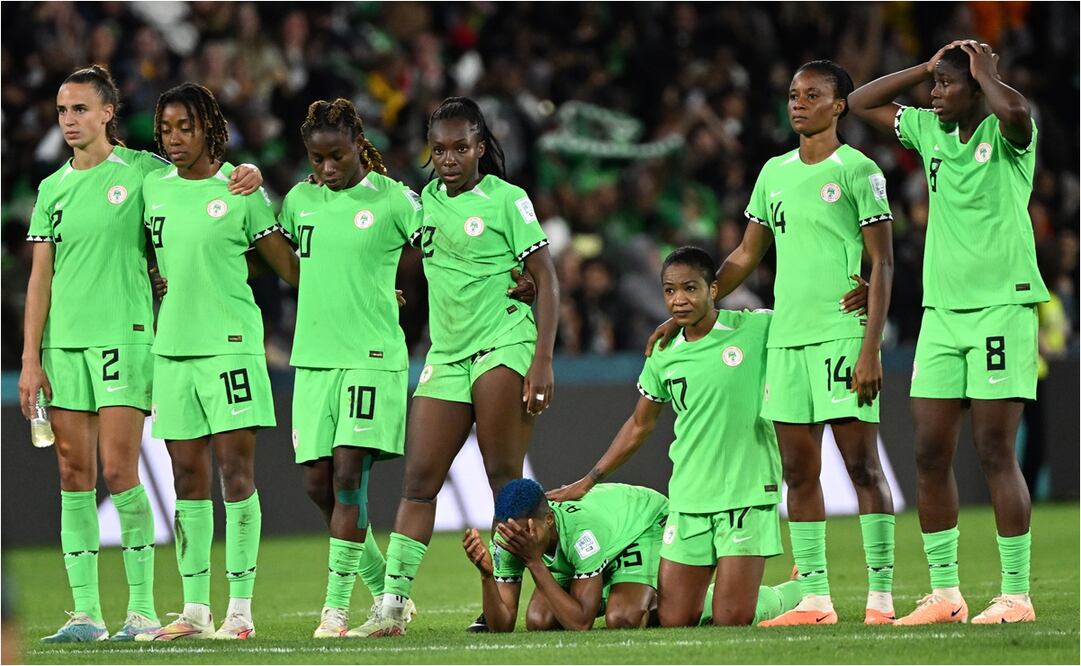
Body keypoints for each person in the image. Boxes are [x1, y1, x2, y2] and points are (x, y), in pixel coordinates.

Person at [649, 60, 897, 626]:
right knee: (800, 473)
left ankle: (881, 598)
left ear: (839, 105)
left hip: (841, 335)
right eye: (793, 95)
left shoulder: (859, 171)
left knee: (862, 468)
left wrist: (870, 347)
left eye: (812, 95)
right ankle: (815, 598)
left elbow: (883, 261)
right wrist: (694, 310)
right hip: (786, 340)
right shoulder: (773, 173)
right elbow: (745, 253)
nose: (798, 104)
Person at [19, 65, 262, 643]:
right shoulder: (51, 189)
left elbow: (200, 179)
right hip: (64, 344)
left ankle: (142, 611)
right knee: (72, 472)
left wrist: (247, 173)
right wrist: (31, 357)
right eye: (62, 110)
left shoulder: (146, 172)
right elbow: (40, 278)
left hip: (125, 338)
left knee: (119, 470)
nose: (70, 120)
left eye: (81, 109)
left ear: (108, 113)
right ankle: (85, 614)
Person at [849, 40, 1046, 625]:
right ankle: (945, 594)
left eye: (945, 85)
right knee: (929, 451)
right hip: (941, 313)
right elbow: (860, 102)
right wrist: (924, 68)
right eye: (933, 87)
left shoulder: (1008, 136)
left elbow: (1016, 112)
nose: (934, 96)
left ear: (977, 87)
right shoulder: (928, 131)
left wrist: (985, 71)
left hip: (1001, 308)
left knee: (994, 450)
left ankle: (1017, 595)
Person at [355, 97, 560, 638]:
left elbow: (546, 276)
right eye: (439, 149)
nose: (449, 158)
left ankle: (501, 604)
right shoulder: (422, 203)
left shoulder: (507, 200)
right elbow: (369, 226)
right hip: (445, 354)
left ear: (480, 147)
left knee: (503, 481)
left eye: (460, 148)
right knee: (418, 481)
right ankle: (392, 607)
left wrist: (542, 359)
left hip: (503, 343)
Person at [549, 247, 804, 628]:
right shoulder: (664, 353)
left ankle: (795, 592)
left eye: (690, 288)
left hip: (746, 491)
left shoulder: (753, 328)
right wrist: (589, 480)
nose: (678, 299)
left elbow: (805, 318)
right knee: (673, 619)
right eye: (670, 291)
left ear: (713, 289)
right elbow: (640, 424)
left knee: (732, 620)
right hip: (689, 496)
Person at [135, 83, 298, 641]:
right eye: (166, 130)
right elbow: (145, 250)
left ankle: (241, 611)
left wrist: (365, 291)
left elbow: (289, 268)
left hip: (230, 346)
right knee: (186, 478)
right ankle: (196, 610)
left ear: (209, 128)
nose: (174, 139)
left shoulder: (241, 189)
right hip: (172, 349)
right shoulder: (152, 188)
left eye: (185, 127)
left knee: (235, 473)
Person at [278, 98, 424, 638]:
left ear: (358, 146)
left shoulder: (394, 200)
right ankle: (386, 590)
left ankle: (334, 611)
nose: (327, 168)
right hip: (314, 359)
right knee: (317, 484)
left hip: (370, 358)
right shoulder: (298, 201)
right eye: (317, 159)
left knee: (347, 477)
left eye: (336, 156)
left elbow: (444, 250)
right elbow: (276, 259)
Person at [463, 479, 669, 632]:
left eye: (525, 532)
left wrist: (535, 562)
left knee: (622, 618)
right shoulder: (507, 538)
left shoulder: (582, 533)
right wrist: (486, 576)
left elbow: (581, 623)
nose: (518, 540)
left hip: (641, 523)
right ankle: (609, 587)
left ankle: (668, 599)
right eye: (509, 533)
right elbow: (502, 626)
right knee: (539, 621)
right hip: (604, 534)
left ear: (549, 520)